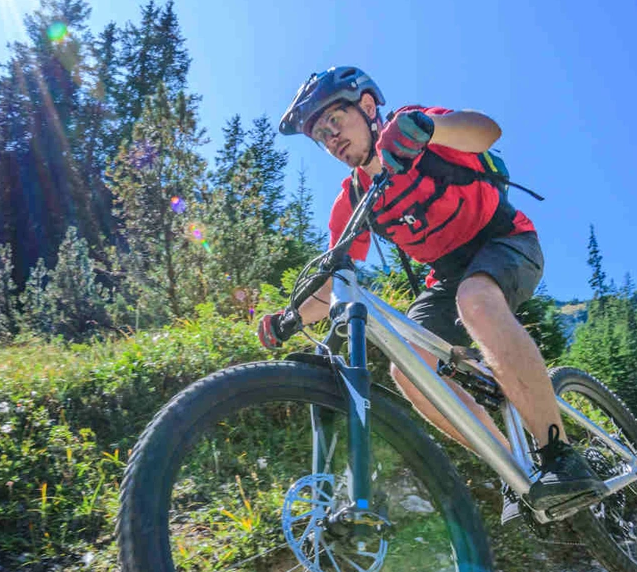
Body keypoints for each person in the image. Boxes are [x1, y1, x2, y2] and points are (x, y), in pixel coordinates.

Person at [259, 66, 605, 507]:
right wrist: (289, 319)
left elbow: (486, 132)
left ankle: (560, 456)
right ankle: (514, 472)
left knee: (475, 300)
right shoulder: (352, 199)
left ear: (368, 107)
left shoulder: (415, 127)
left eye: (335, 121)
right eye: (322, 136)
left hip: (506, 241)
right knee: (409, 367)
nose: (332, 139)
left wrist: (429, 128)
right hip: (447, 277)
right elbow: (334, 284)